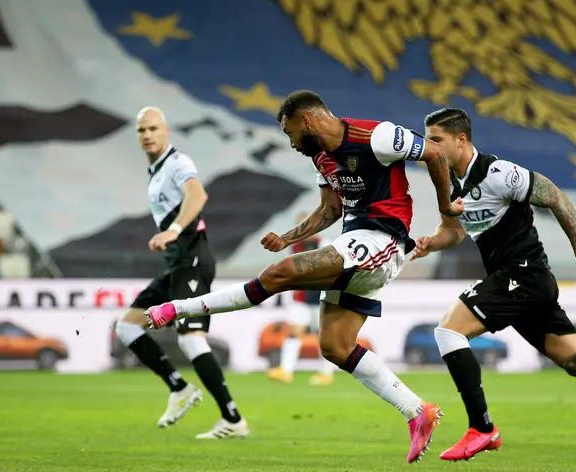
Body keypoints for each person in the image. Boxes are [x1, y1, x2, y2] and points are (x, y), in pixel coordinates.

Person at [145, 90, 464, 463]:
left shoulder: (375, 136)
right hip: (354, 245)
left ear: (307, 121)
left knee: (278, 275)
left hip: (383, 241)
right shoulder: (320, 157)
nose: (291, 142)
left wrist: (446, 209)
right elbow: (328, 210)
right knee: (335, 346)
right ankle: (417, 412)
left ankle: (177, 308)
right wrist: (287, 238)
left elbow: (436, 153)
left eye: (289, 132)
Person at [411, 108, 576, 461]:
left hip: (523, 274)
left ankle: (482, 428)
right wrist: (432, 242)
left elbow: (556, 197)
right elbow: (454, 230)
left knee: (448, 331)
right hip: (517, 281)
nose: (428, 146)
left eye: (436, 139)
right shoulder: (446, 180)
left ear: (461, 140)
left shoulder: (498, 173)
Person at [113, 107, 249, 439]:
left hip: (193, 261)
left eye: (153, 128)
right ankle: (179, 388)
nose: (147, 135)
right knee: (128, 326)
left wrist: (173, 230)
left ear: (166, 131)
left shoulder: (177, 163)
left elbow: (198, 194)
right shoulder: (156, 172)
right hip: (176, 265)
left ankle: (233, 420)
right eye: (141, 130)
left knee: (190, 339)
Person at [265, 213, 335, 385]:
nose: (302, 230)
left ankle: (326, 373)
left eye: (305, 225)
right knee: (294, 332)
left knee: (324, 336)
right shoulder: (293, 247)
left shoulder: (325, 245)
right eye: (300, 226)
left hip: (322, 298)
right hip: (301, 298)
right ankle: (285, 371)